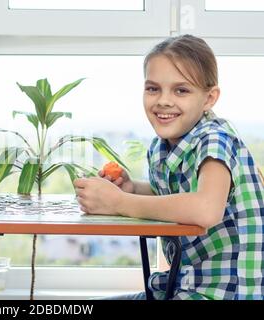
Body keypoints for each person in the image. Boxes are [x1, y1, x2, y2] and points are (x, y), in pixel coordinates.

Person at [74, 35, 264, 300]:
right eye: (153, 89)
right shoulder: (163, 145)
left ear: (209, 98)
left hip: (225, 292)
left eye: (181, 90)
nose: (163, 100)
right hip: (180, 285)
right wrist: (133, 188)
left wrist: (120, 202)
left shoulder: (214, 139)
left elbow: (206, 208)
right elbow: (174, 195)